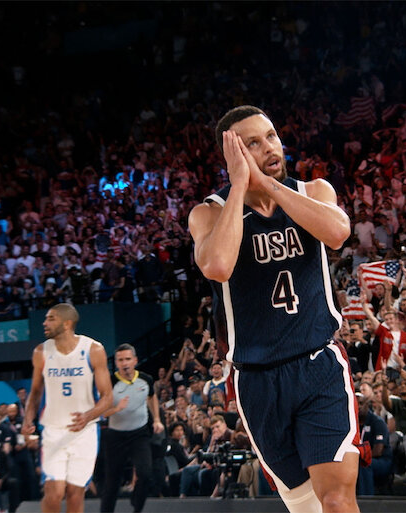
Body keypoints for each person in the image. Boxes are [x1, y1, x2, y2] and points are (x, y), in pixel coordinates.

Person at [188, 106, 360, 513]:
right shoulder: (210, 212)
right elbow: (217, 265)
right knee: (305, 507)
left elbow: (338, 232)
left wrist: (267, 184)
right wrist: (240, 186)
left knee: (336, 501)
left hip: (317, 364)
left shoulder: (313, 191)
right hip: (257, 378)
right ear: (232, 156)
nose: (269, 147)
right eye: (252, 143)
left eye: (270, 136)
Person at [23, 303, 113, 513]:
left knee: (75, 494)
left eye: (51, 318)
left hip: (84, 432)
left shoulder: (93, 349)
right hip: (53, 430)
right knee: (53, 492)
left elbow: (107, 397)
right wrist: (28, 419)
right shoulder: (41, 352)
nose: (44, 323)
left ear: (67, 324)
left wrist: (88, 415)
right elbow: (35, 392)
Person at [98, 343, 164, 513]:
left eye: (127, 359)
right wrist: (116, 409)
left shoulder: (146, 379)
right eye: (120, 360)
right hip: (116, 436)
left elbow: (152, 397)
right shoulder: (110, 383)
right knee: (112, 483)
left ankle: (137, 506)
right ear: (116, 363)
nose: (124, 363)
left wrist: (157, 419)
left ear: (135, 360)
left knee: (145, 474)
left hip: (139, 434)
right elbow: (101, 413)